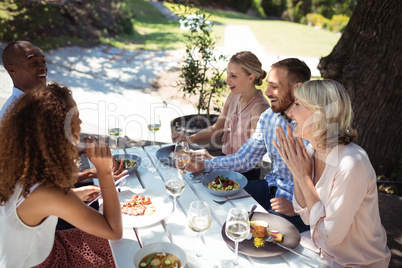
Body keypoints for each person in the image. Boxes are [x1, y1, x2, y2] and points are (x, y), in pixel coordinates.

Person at [0, 83, 122, 267]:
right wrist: (104, 173)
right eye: (76, 119)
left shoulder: (15, 163)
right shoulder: (49, 194)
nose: (81, 124)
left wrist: (74, 195)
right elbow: (114, 231)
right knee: (123, 249)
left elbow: (35, 207)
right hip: (47, 262)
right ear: (56, 136)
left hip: (43, 247)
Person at [273, 80, 391, 267]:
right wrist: (296, 169)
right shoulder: (311, 152)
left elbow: (330, 236)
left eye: (297, 105)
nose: (290, 112)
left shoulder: (352, 163)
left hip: (354, 263)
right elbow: (305, 216)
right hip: (321, 251)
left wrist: (303, 177)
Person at [187, 58, 311, 232]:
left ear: (297, 88)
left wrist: (298, 208)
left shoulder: (315, 127)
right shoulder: (269, 117)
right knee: (210, 192)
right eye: (268, 85)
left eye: (274, 87)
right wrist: (204, 165)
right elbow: (245, 158)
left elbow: (329, 191)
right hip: (270, 188)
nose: (267, 92)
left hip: (298, 206)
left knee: (256, 233)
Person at [0, 40, 126, 182]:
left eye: (43, 62)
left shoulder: (39, 103)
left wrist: (85, 147)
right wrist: (90, 174)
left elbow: (49, 152)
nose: (43, 68)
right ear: (12, 70)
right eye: (34, 63)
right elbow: (35, 180)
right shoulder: (15, 117)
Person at [173, 51, 269, 180]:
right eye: (228, 74)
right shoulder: (234, 96)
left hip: (244, 174)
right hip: (224, 161)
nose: (227, 80)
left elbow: (249, 160)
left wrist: (210, 162)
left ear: (251, 78)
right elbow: (216, 129)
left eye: (233, 76)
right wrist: (188, 140)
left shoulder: (259, 109)